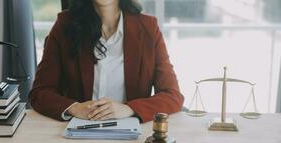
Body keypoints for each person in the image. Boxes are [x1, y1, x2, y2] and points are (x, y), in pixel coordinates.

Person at [29, 0, 184, 123]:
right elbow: (40, 93)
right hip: (77, 133)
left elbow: (172, 95)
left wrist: (129, 109)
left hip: (131, 134)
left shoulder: (148, 28)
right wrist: (74, 108)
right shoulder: (65, 25)